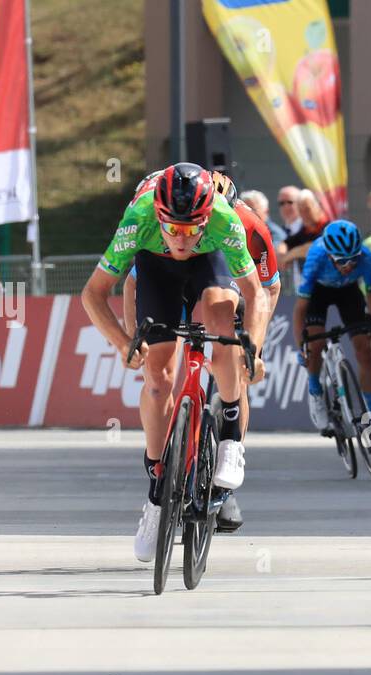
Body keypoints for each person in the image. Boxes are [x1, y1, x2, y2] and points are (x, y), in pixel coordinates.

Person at [81, 162, 262, 562]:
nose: (182, 239)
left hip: (209, 263)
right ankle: (157, 491)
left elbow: (257, 291)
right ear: (158, 215)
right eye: (174, 229)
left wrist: (254, 350)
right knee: (158, 378)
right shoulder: (139, 218)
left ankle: (230, 435)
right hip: (154, 268)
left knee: (220, 319)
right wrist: (125, 342)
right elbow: (94, 294)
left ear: (206, 216)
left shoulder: (222, 219)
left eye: (191, 228)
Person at [296, 220, 371, 444]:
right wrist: (301, 346)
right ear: (330, 255)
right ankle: (316, 391)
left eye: (353, 259)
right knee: (316, 345)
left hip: (348, 292)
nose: (349, 265)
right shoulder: (316, 258)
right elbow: (300, 310)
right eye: (342, 261)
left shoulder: (365, 257)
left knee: (364, 351)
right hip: (319, 293)